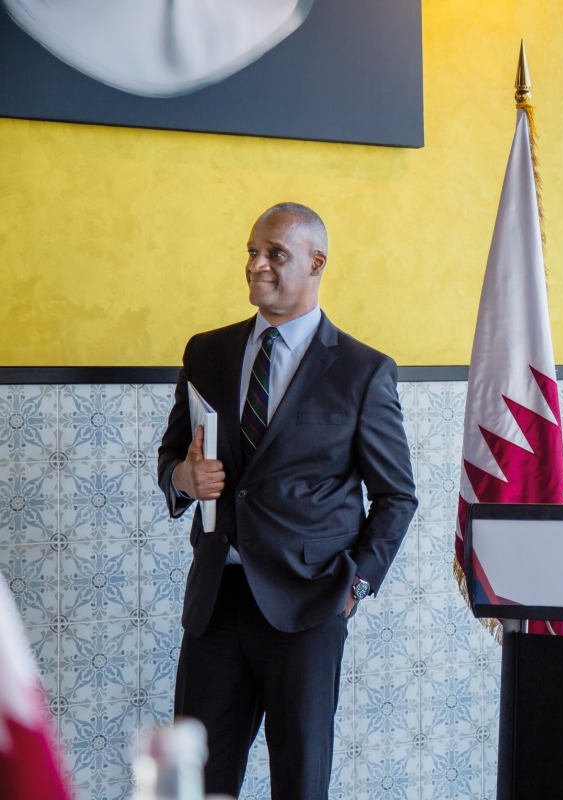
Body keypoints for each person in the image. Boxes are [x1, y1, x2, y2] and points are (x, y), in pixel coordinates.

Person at [157, 202, 418, 799]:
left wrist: (355, 586)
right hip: (215, 607)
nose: (256, 264)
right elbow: (173, 454)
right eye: (252, 251)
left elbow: (396, 496)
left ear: (317, 262)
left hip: (309, 609)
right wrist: (182, 481)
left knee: (300, 784)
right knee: (193, 784)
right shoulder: (206, 352)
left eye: (275, 253)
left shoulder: (362, 370)